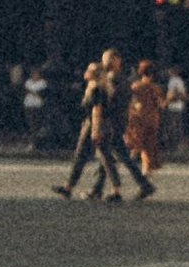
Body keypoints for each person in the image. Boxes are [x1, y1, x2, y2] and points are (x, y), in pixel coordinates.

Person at [56, 49, 148, 202]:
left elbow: (97, 110)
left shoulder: (101, 87)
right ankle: (85, 188)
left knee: (97, 158)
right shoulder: (109, 84)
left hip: (98, 126)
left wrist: (95, 130)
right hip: (108, 125)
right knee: (106, 158)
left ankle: (106, 189)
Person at [125, 57, 166, 180]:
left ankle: (132, 164)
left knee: (137, 143)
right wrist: (169, 98)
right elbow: (161, 104)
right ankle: (145, 170)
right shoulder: (155, 88)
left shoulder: (135, 86)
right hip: (152, 118)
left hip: (138, 117)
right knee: (148, 145)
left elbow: (129, 102)